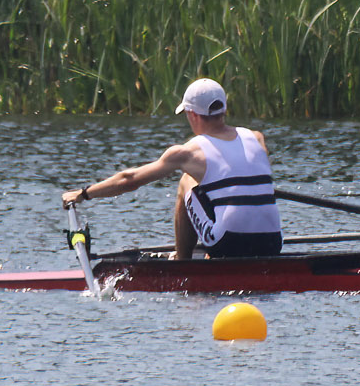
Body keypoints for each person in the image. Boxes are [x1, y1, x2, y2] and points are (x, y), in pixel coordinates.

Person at [62, 77, 283, 258]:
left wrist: (84, 193)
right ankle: (210, 251)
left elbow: (130, 179)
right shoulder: (256, 138)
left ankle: (182, 261)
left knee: (187, 180)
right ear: (223, 109)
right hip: (272, 243)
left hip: (229, 244)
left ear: (193, 114)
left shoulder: (188, 152)